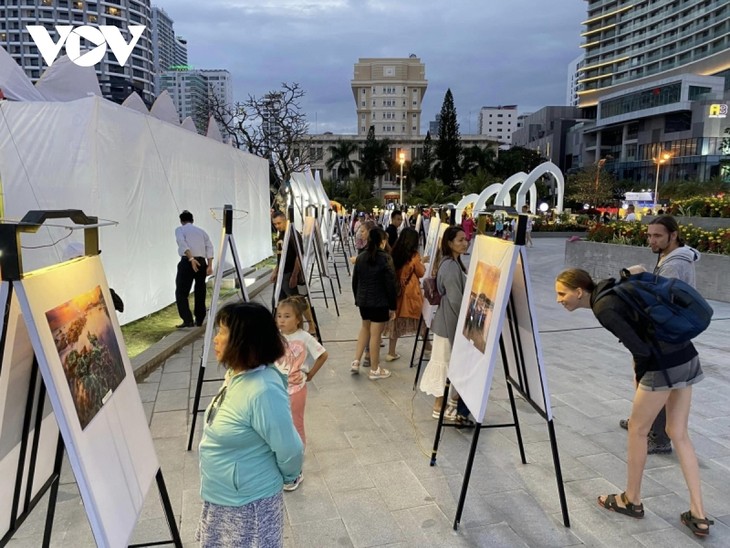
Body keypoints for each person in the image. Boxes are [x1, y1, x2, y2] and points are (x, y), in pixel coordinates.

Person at [555, 269, 713, 537]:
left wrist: (640, 381)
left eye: (562, 293)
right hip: (686, 355)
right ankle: (698, 514)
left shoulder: (603, 308)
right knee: (678, 433)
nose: (559, 299)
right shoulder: (612, 287)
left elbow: (639, 349)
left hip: (662, 366)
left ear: (579, 292)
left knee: (637, 430)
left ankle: (632, 499)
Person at [196, 302, 304, 547]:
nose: (216, 339)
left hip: (248, 505)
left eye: (223, 332)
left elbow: (290, 449)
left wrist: (289, 477)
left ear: (245, 340)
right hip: (223, 498)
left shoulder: (262, 389)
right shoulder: (237, 375)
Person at [619, 215, 701, 454]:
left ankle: (658, 438)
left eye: (657, 236)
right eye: (649, 235)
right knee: (653, 383)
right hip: (670, 330)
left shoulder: (674, 264)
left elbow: (662, 302)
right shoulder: (671, 256)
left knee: (657, 384)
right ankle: (642, 423)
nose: (651, 240)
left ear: (673, 235)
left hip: (667, 333)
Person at [419, 225, 473, 426]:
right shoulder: (450, 265)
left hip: (448, 320)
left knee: (449, 363)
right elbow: (455, 299)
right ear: (449, 243)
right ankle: (438, 406)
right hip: (448, 321)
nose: (464, 242)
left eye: (465, 239)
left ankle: (448, 404)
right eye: (460, 240)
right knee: (444, 363)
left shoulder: (454, 263)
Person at [275, 297, 328, 482]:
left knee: (296, 424)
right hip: (276, 389)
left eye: (287, 316)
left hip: (297, 389)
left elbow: (322, 355)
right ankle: (282, 456)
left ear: (298, 319)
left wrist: (311, 373)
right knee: (279, 424)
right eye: (279, 315)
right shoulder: (275, 336)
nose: (281, 320)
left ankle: (297, 463)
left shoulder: (304, 337)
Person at [351, 227, 398, 380]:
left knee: (365, 328)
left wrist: (358, 297)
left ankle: (356, 361)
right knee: (375, 335)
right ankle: (375, 369)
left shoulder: (361, 257)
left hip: (363, 301)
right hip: (380, 302)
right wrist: (393, 306)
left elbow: (355, 281)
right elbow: (391, 285)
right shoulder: (385, 258)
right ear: (383, 241)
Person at [385, 227, 426, 361]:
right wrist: (422, 263)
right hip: (411, 293)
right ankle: (428, 346)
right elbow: (421, 273)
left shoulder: (394, 253)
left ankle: (391, 352)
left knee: (395, 322)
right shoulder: (414, 256)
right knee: (420, 320)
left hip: (396, 292)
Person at [175, 210, 214, 328]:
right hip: (202, 261)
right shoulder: (201, 231)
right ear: (192, 220)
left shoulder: (180, 229)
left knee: (181, 292)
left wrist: (191, 259)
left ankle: (188, 320)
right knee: (200, 290)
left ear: (181, 221)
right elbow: (209, 247)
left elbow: (182, 243)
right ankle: (200, 319)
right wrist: (210, 265)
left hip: (188, 261)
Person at [270, 211, 304, 301]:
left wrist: (294, 275)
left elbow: (299, 256)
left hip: (289, 273)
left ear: (285, 220)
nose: (277, 226)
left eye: (279, 223)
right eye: (274, 224)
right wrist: (275, 271)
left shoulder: (293, 234)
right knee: (277, 301)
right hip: (282, 273)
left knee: (295, 302)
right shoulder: (281, 233)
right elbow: (281, 256)